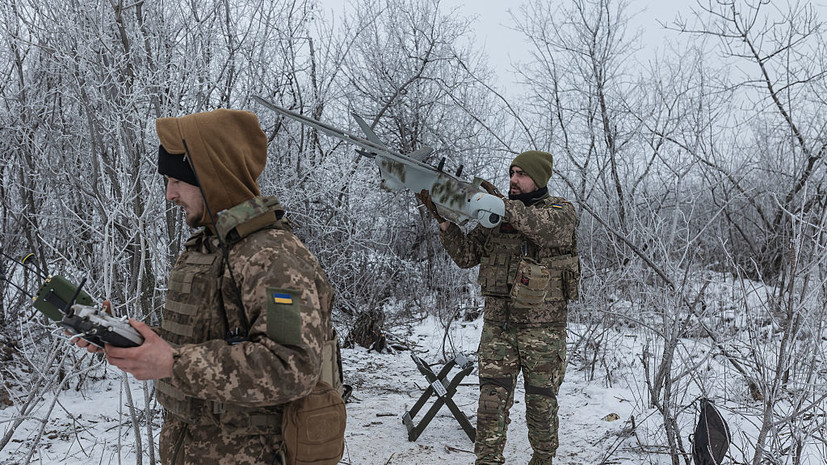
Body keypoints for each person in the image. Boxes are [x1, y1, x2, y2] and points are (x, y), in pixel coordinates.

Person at [72, 109, 341, 465]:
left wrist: (173, 363)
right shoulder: (211, 247)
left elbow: (291, 366)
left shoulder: (273, 258)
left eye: (177, 180)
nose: (170, 194)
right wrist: (130, 339)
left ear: (212, 176)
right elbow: (202, 344)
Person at [420, 150, 578, 465]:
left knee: (541, 406)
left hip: (542, 332)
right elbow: (466, 256)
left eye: (521, 174)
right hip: (498, 328)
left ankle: (543, 459)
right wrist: (443, 221)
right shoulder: (494, 219)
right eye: (511, 173)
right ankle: (487, 460)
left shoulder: (560, 211)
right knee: (490, 404)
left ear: (539, 179)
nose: (513, 180)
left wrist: (501, 206)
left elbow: (539, 226)